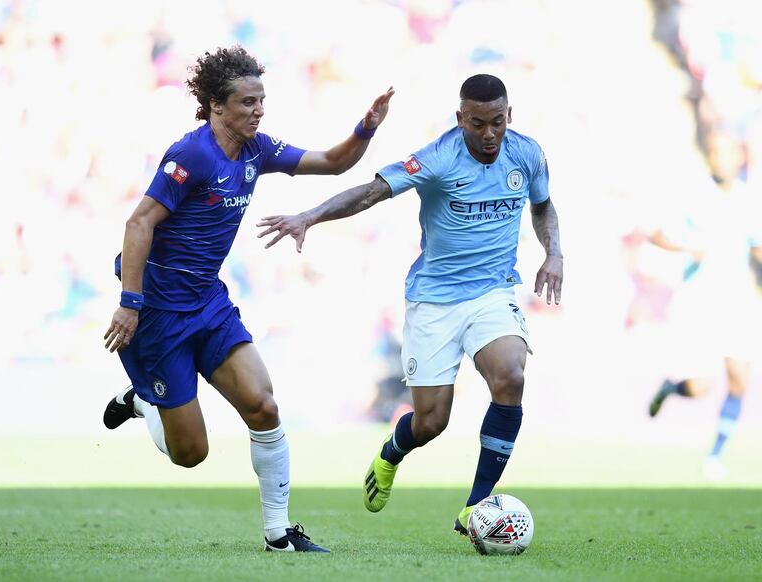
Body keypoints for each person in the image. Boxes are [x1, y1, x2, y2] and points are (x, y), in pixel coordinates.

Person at [102, 45, 394, 552]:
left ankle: (279, 533)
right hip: (157, 314)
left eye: (262, 101)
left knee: (263, 405)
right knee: (191, 454)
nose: (259, 111)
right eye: (247, 103)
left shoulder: (257, 149)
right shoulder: (192, 155)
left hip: (208, 303)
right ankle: (144, 402)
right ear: (217, 105)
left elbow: (331, 162)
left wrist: (366, 127)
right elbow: (138, 223)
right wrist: (131, 301)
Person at [257, 74, 562, 534]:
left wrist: (553, 252)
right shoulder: (437, 158)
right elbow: (371, 192)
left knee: (511, 373)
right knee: (430, 422)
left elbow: (542, 205)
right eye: (477, 123)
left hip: (492, 292)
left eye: (497, 122)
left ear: (509, 116)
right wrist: (311, 216)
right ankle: (391, 453)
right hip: (435, 301)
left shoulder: (528, 154)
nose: (488, 134)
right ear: (460, 118)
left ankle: (474, 509)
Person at [646, 132, 761, 481]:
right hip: (699, 302)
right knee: (700, 388)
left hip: (738, 299)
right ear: (709, 158)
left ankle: (715, 455)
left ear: (739, 158)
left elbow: (756, 247)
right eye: (715, 153)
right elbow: (656, 234)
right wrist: (684, 246)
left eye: (727, 154)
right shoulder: (694, 197)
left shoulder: (749, 199)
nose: (721, 160)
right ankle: (671, 388)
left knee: (739, 378)